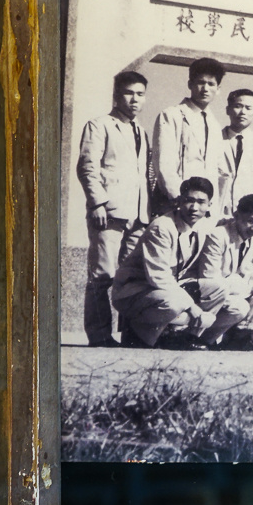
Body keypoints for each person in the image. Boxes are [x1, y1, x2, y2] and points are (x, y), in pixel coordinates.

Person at [110, 177, 238, 349]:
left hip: (166, 290)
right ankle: (137, 334)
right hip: (136, 291)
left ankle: (187, 337)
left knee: (218, 288)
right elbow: (158, 278)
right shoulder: (162, 227)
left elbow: (231, 222)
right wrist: (194, 309)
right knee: (175, 303)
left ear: (209, 205)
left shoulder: (203, 225)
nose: (194, 207)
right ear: (179, 201)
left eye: (201, 202)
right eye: (189, 201)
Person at [76, 70, 152, 347]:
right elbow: (87, 167)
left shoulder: (140, 132)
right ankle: (99, 336)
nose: (134, 99)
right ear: (116, 95)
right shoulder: (99, 125)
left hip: (138, 215)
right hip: (108, 212)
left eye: (140, 94)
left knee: (132, 278)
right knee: (102, 276)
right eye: (129, 93)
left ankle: (130, 334)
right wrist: (97, 202)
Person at [193, 193, 253, 350]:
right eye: (251, 221)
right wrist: (245, 287)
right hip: (209, 294)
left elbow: (244, 270)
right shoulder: (218, 235)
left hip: (231, 288)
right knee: (240, 307)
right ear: (236, 215)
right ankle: (201, 338)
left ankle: (244, 336)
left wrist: (243, 284)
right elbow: (210, 278)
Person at [150, 58, 224, 215]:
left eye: (211, 84)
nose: (205, 88)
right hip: (176, 204)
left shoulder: (214, 124)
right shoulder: (171, 115)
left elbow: (215, 170)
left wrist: (209, 206)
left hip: (204, 209)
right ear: (190, 84)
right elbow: (164, 165)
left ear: (218, 89)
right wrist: (179, 199)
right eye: (200, 82)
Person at [216, 88, 253, 219]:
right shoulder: (215, 139)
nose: (243, 112)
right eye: (237, 106)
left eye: (248, 108)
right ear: (228, 110)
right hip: (217, 212)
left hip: (249, 216)